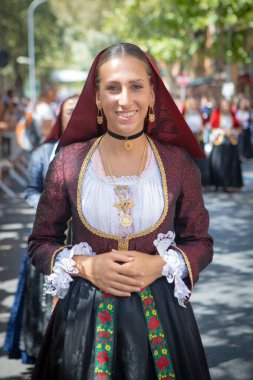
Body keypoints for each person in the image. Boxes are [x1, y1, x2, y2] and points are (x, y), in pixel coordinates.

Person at [28, 43, 213, 380]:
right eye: (112, 87)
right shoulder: (68, 162)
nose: (124, 99)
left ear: (153, 94)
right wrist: (87, 266)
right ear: (97, 97)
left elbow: (200, 242)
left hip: (165, 321)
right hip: (83, 322)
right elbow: (40, 243)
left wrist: (159, 264)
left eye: (136, 86)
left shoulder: (177, 162)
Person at [4, 95, 79, 364]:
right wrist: (51, 207)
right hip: (52, 239)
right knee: (44, 298)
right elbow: (31, 190)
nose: (77, 115)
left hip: (87, 242)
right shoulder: (43, 152)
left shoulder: (102, 149)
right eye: (71, 111)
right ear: (60, 116)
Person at [209, 97, 243, 192]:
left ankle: (230, 183)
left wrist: (233, 131)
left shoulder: (232, 115)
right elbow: (211, 127)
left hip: (230, 142)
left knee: (231, 163)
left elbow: (238, 127)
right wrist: (222, 131)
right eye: (223, 105)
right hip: (220, 142)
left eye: (227, 106)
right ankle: (220, 183)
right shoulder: (216, 114)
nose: (225, 107)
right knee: (219, 163)